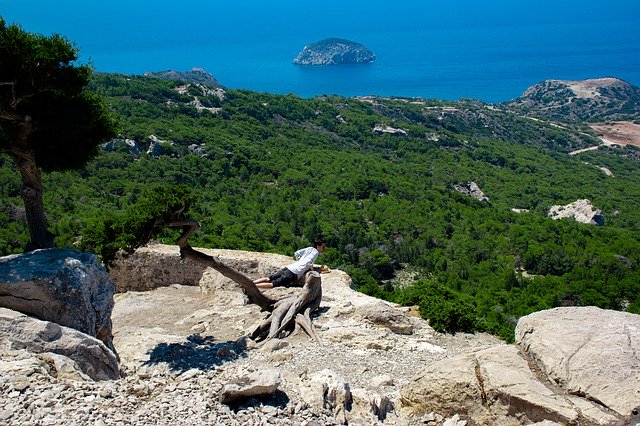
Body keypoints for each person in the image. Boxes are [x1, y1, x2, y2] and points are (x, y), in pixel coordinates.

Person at [254, 239, 325, 289]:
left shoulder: (310, 248)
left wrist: (299, 261)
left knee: (268, 278)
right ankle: (253, 286)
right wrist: (312, 270)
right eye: (323, 247)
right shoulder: (316, 252)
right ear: (318, 246)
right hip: (294, 273)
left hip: (290, 267)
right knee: (273, 284)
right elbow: (309, 262)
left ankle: (252, 283)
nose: (324, 248)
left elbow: (297, 253)